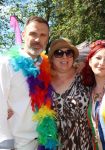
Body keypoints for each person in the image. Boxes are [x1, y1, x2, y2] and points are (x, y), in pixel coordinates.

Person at [0, 16, 58, 150]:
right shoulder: (6, 63)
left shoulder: (46, 65)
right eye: (33, 34)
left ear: (47, 39)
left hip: (42, 143)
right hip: (15, 145)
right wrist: (4, 144)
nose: (38, 39)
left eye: (43, 35)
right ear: (23, 34)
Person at [47, 38, 93, 150]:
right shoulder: (43, 81)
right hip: (53, 144)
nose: (64, 57)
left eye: (69, 53)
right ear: (52, 58)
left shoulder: (85, 76)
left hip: (82, 143)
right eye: (59, 53)